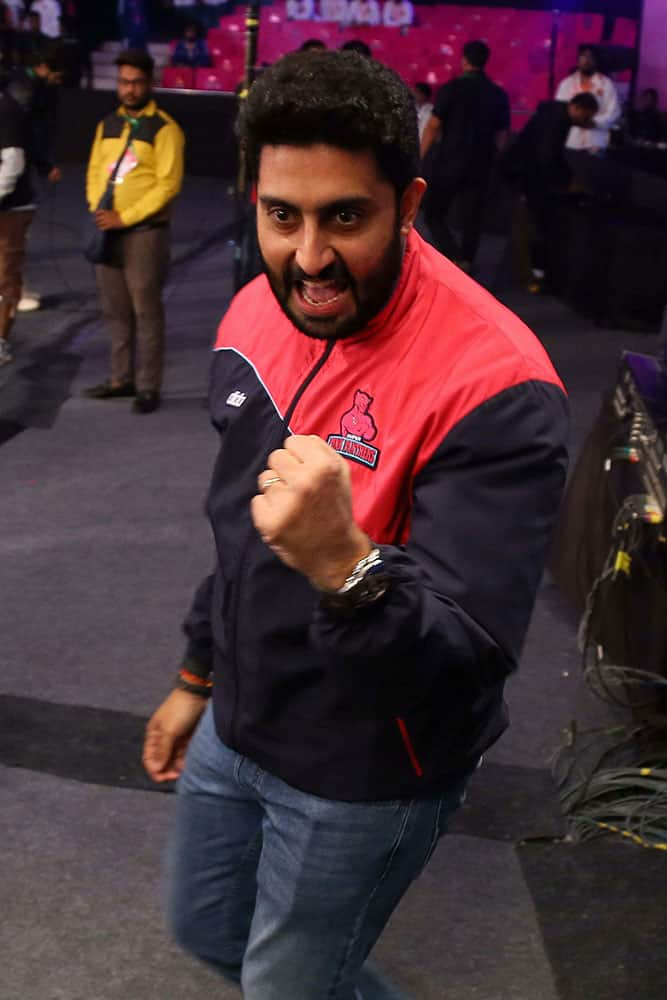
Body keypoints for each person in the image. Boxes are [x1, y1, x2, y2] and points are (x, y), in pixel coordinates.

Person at [142, 49, 568, 999]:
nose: (309, 258)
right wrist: (195, 676)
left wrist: (345, 563)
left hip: (365, 768)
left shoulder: (495, 383)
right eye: (280, 215)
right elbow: (239, 536)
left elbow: (468, 653)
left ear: (408, 203)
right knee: (207, 928)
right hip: (240, 720)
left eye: (346, 217)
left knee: (288, 986)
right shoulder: (258, 307)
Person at [84, 49, 184, 413]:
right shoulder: (107, 124)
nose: (129, 89)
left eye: (136, 82)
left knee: (146, 311)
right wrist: (99, 208)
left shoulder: (165, 128)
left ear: (150, 83)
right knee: (115, 310)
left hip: (144, 232)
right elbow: (95, 170)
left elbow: (167, 185)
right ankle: (120, 378)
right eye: (124, 82)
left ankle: (147, 387)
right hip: (107, 227)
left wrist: (124, 217)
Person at [420, 39, 510, 273]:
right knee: (473, 217)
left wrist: (419, 155)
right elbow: (502, 135)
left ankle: (453, 256)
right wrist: (496, 160)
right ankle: (468, 260)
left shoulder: (451, 89)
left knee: (433, 212)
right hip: (481, 162)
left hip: (450, 161)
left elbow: (433, 126)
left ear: (464, 60)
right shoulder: (498, 94)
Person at [501, 93, 599, 290]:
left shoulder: (553, 113)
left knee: (526, 224)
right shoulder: (559, 120)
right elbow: (547, 156)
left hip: (522, 173)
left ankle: (525, 273)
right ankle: (525, 276)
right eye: (587, 116)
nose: (586, 121)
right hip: (526, 176)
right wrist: (566, 180)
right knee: (527, 226)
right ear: (578, 108)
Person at [8, 47, 62, 312]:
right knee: (14, 234)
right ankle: (14, 291)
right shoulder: (25, 93)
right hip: (14, 175)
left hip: (15, 169)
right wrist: (44, 164)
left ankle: (15, 289)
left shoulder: (19, 84)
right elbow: (25, 137)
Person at [0, 76, 34, 367]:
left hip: (11, 209)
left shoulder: (6, 109)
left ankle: (1, 343)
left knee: (5, 280)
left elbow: (13, 162)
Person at [554, 44, 620, 152]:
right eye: (583, 56)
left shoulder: (606, 84)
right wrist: (575, 120)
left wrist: (595, 123)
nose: (587, 60)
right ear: (578, 60)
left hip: (596, 142)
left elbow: (614, 111)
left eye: (591, 57)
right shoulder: (566, 83)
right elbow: (560, 109)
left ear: (596, 61)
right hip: (572, 141)